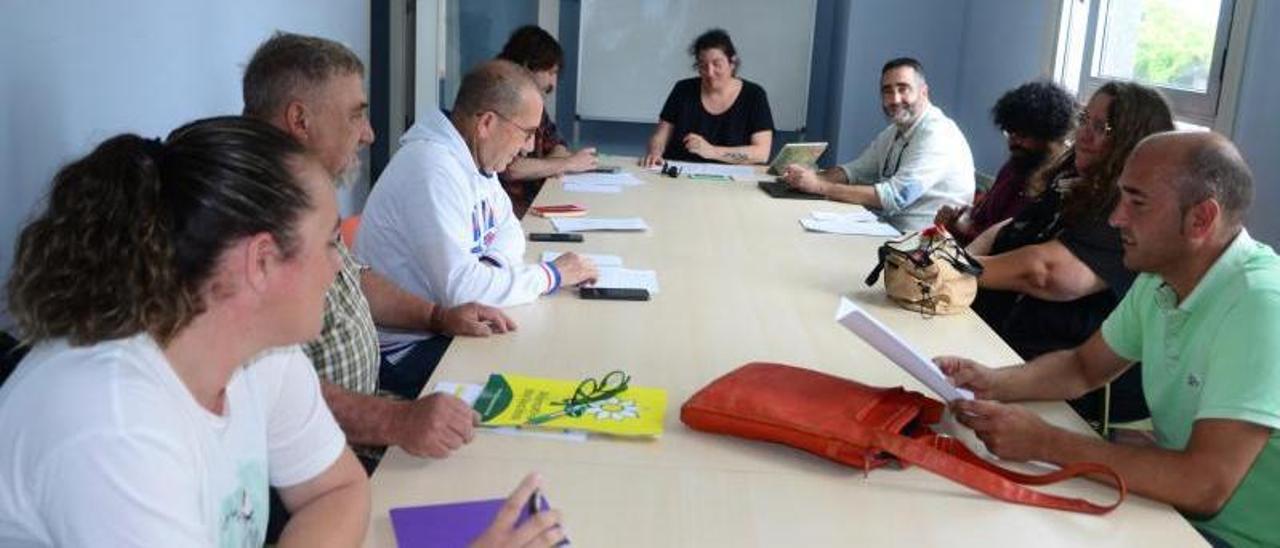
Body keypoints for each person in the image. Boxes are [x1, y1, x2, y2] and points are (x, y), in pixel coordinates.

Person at [0, 117, 370, 546]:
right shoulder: (113, 420)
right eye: (328, 241)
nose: (338, 265)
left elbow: (337, 490)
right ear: (262, 261)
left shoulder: (260, 350)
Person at [941, 131, 1279, 548]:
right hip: (1169, 516)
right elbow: (1083, 367)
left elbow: (1204, 485)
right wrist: (991, 382)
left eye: (1136, 202)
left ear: (1200, 219)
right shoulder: (1162, 276)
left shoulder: (1260, 304)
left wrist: (1045, 441)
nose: (1116, 218)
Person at [242, 32, 515, 470]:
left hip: (371, 408)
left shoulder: (303, 194)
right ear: (300, 119)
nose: (369, 134)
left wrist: (436, 316)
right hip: (324, 451)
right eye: (356, 116)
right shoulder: (247, 214)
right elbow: (270, 388)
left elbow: (356, 277)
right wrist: (398, 421)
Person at [357, 60, 598, 357]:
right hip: (407, 348)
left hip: (450, 330)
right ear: (486, 124)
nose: (528, 146)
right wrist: (551, 276)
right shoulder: (431, 169)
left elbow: (510, 232)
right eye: (526, 132)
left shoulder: (475, 159)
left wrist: (489, 274)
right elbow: (462, 292)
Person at [968, 82, 1175, 424]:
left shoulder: (1126, 211)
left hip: (1058, 385)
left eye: (1102, 128)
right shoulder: (1070, 180)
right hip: (1002, 350)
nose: (1084, 135)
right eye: (1084, 120)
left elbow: (1048, 273)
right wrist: (960, 259)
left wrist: (958, 269)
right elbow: (1009, 227)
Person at [781, 57, 974, 232]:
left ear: (924, 92)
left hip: (921, 246)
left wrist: (818, 186)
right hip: (888, 229)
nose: (895, 99)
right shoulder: (894, 131)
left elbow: (895, 197)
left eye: (903, 88)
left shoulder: (938, 134)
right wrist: (810, 177)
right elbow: (856, 171)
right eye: (887, 91)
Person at [935, 80, 1076, 244]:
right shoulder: (1014, 167)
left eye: (1022, 135)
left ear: (1050, 136)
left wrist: (963, 228)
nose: (1012, 143)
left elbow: (1011, 248)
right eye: (1009, 133)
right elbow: (982, 215)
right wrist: (958, 217)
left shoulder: (1059, 190)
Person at [496, 25, 598, 217]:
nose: (553, 83)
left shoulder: (532, 101)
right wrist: (566, 164)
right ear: (527, 66)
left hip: (537, 202)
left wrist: (546, 166)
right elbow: (510, 168)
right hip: (511, 214)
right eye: (551, 72)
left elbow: (558, 145)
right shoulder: (501, 99)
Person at [640, 28, 774, 167]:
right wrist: (655, 152)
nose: (710, 73)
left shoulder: (754, 95)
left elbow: (761, 153)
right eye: (703, 66)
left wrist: (711, 151)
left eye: (717, 64)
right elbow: (661, 135)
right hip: (679, 173)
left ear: (732, 63)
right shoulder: (683, 89)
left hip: (730, 180)